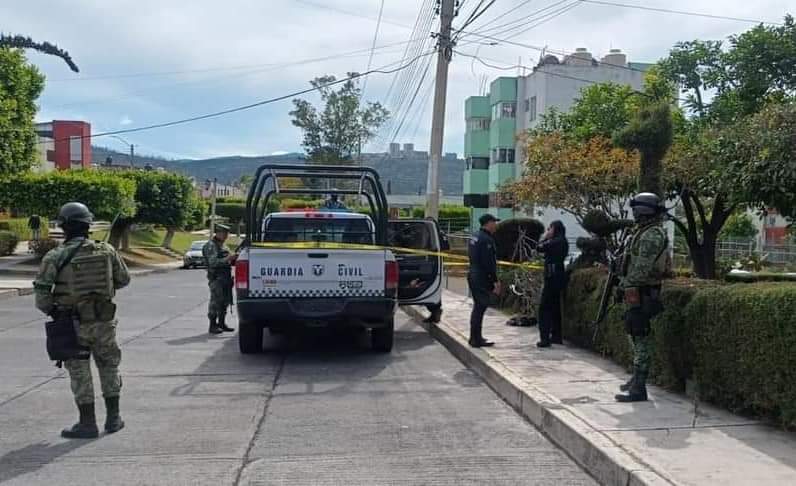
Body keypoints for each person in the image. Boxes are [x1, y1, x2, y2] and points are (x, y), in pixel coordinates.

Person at [33, 202, 130, 439]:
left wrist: (56, 311)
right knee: (108, 366)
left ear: (65, 227)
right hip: (104, 321)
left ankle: (87, 424)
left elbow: (42, 295)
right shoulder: (106, 250)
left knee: (79, 372)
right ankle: (114, 418)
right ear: (88, 225)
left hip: (72, 323)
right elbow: (123, 279)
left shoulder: (56, 255)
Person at [615, 193, 669, 403]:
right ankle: (636, 379)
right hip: (637, 291)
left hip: (644, 292)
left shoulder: (651, 235)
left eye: (636, 209)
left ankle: (639, 387)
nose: (634, 214)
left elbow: (641, 269)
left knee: (641, 336)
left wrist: (624, 284)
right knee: (634, 335)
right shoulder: (643, 232)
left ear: (643, 211)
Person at [467, 214, 501, 347]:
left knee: (478, 307)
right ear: (488, 223)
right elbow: (489, 263)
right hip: (481, 276)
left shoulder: (475, 236)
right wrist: (495, 281)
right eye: (494, 222)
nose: (496, 225)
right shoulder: (486, 240)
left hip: (473, 273)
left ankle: (475, 337)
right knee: (480, 307)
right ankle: (475, 339)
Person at [536, 220, 569, 348]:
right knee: (555, 308)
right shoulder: (563, 241)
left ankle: (544, 338)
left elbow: (539, 247)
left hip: (552, 277)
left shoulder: (555, 242)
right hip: (559, 276)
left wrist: (544, 238)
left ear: (554, 229)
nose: (548, 231)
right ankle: (556, 335)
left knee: (544, 308)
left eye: (549, 229)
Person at [203, 224, 237, 334]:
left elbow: (227, 260)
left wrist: (234, 258)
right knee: (216, 302)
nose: (226, 236)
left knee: (225, 301)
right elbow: (213, 262)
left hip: (225, 278)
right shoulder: (211, 245)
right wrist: (228, 258)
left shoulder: (224, 246)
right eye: (223, 233)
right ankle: (212, 325)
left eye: (227, 233)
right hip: (216, 278)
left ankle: (222, 323)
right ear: (217, 233)